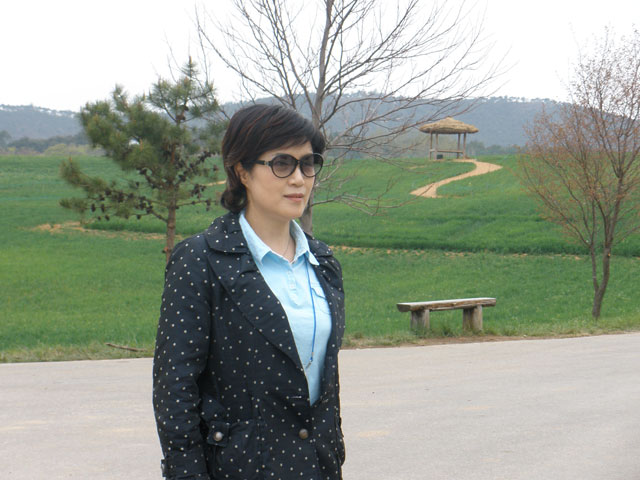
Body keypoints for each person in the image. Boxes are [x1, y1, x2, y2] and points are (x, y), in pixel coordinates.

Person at [153, 104, 346, 480]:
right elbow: (174, 388)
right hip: (239, 468)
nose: (299, 179)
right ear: (242, 171)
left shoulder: (322, 263)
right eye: (282, 164)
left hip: (317, 467)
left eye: (308, 164)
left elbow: (324, 384)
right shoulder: (201, 259)